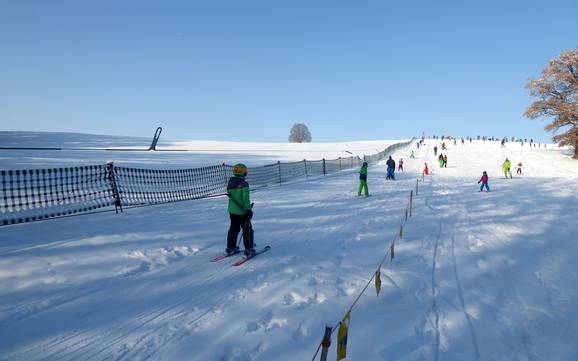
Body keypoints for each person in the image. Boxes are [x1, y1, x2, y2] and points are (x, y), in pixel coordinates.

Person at [226, 163, 255, 256]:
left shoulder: (230, 182)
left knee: (234, 228)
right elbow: (245, 199)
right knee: (247, 230)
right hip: (242, 211)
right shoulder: (244, 184)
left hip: (232, 211)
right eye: (245, 171)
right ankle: (249, 248)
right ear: (243, 172)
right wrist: (248, 210)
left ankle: (230, 247)